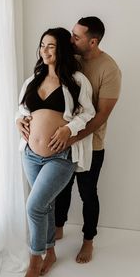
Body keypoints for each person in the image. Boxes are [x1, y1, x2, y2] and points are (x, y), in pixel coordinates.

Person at [15, 27, 95, 277]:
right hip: (31, 154)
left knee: (34, 206)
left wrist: (67, 129)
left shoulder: (77, 80)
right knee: (45, 206)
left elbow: (88, 113)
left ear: (61, 48)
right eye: (42, 45)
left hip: (60, 155)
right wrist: (19, 121)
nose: (44, 50)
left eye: (50, 46)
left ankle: (34, 260)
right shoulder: (33, 79)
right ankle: (49, 252)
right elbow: (21, 109)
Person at [54, 17, 122, 264]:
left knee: (87, 193)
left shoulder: (109, 69)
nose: (71, 40)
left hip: (91, 145)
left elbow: (101, 115)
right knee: (61, 188)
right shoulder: (74, 61)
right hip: (64, 140)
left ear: (93, 42)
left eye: (76, 37)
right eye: (72, 34)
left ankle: (88, 241)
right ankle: (58, 226)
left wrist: (71, 138)